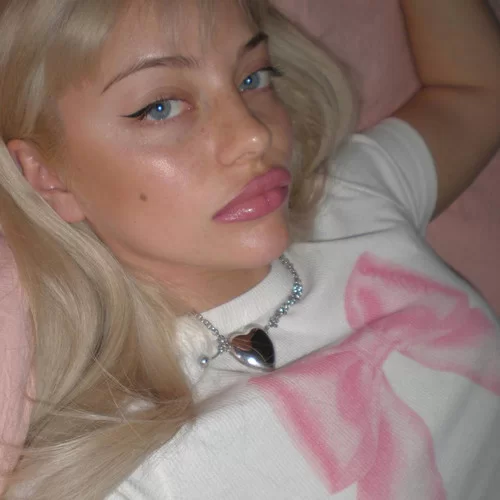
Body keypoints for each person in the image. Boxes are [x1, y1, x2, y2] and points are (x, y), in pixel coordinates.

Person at [0, 0, 499, 498]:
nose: (254, 135)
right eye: (162, 107)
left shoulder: (349, 199)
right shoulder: (121, 472)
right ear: (48, 175)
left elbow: (479, 94)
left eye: (252, 77)